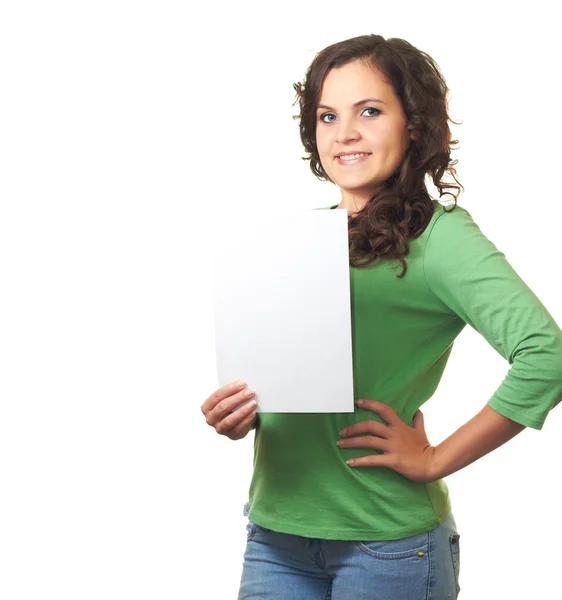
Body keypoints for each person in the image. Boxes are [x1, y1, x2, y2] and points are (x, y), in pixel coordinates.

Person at [200, 34, 562, 599]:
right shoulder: (298, 241)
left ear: (413, 125)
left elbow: (548, 356)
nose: (344, 133)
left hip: (388, 547)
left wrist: (436, 458)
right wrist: (244, 409)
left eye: (369, 110)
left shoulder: (440, 240)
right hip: (274, 534)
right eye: (327, 115)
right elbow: (289, 379)